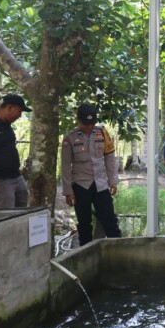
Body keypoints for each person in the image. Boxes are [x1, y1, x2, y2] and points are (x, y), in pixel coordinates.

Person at [61, 103, 121, 246]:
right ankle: (86, 253)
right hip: (81, 185)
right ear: (78, 120)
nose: (89, 127)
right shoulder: (70, 137)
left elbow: (110, 157)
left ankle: (119, 251)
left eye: (92, 123)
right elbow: (65, 165)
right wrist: (68, 191)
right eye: (86, 123)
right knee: (84, 223)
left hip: (100, 184)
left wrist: (113, 181)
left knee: (110, 220)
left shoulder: (103, 133)